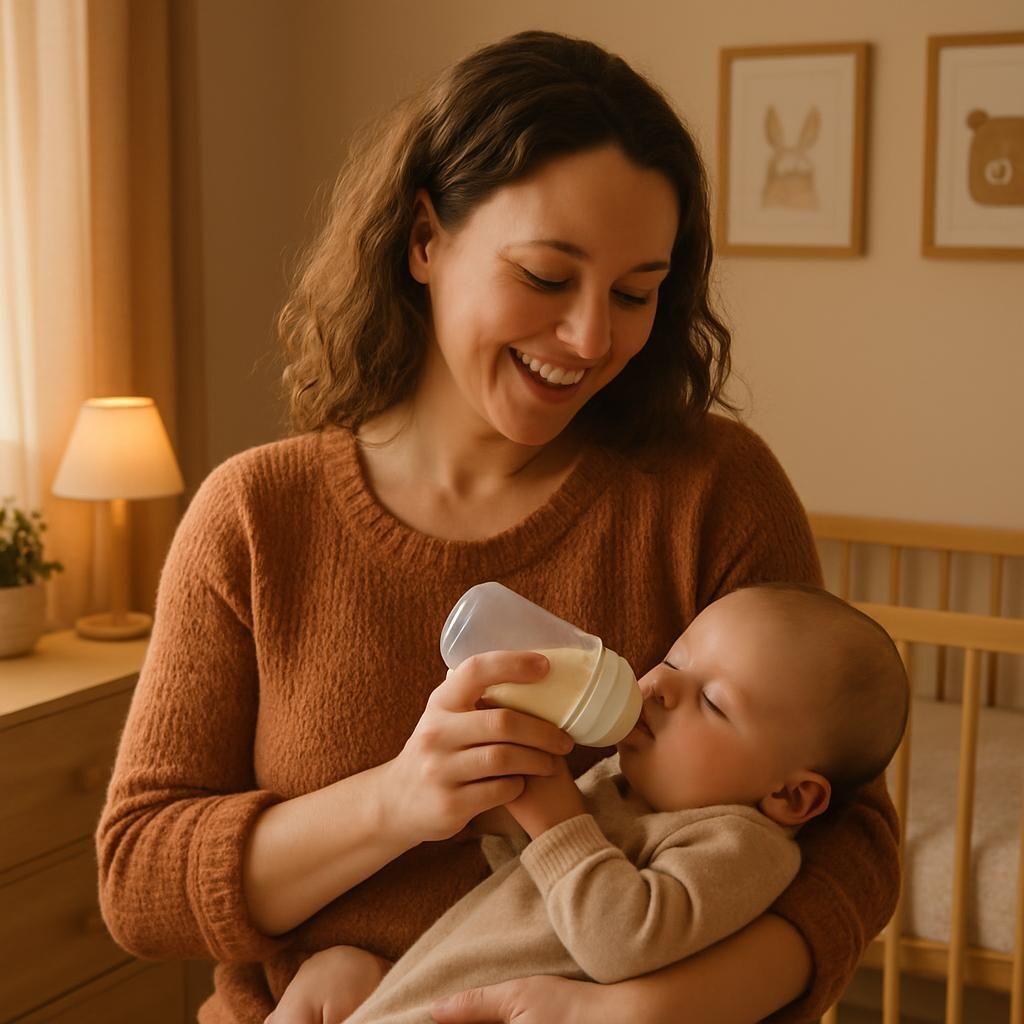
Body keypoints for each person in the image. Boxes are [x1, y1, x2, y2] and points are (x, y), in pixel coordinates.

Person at [96, 29, 900, 1024]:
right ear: (425, 238)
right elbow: (139, 877)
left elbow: (850, 835)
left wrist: (645, 1010)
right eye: (547, 276)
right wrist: (396, 801)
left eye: (636, 294)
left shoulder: (708, 489)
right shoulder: (257, 516)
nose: (591, 338)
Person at [266, 584, 910, 1024]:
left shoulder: (740, 843)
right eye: (674, 659)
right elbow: (522, 877)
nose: (656, 687)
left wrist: (553, 813)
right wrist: (487, 782)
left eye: (712, 702)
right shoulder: (629, 789)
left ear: (792, 796)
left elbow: (623, 941)